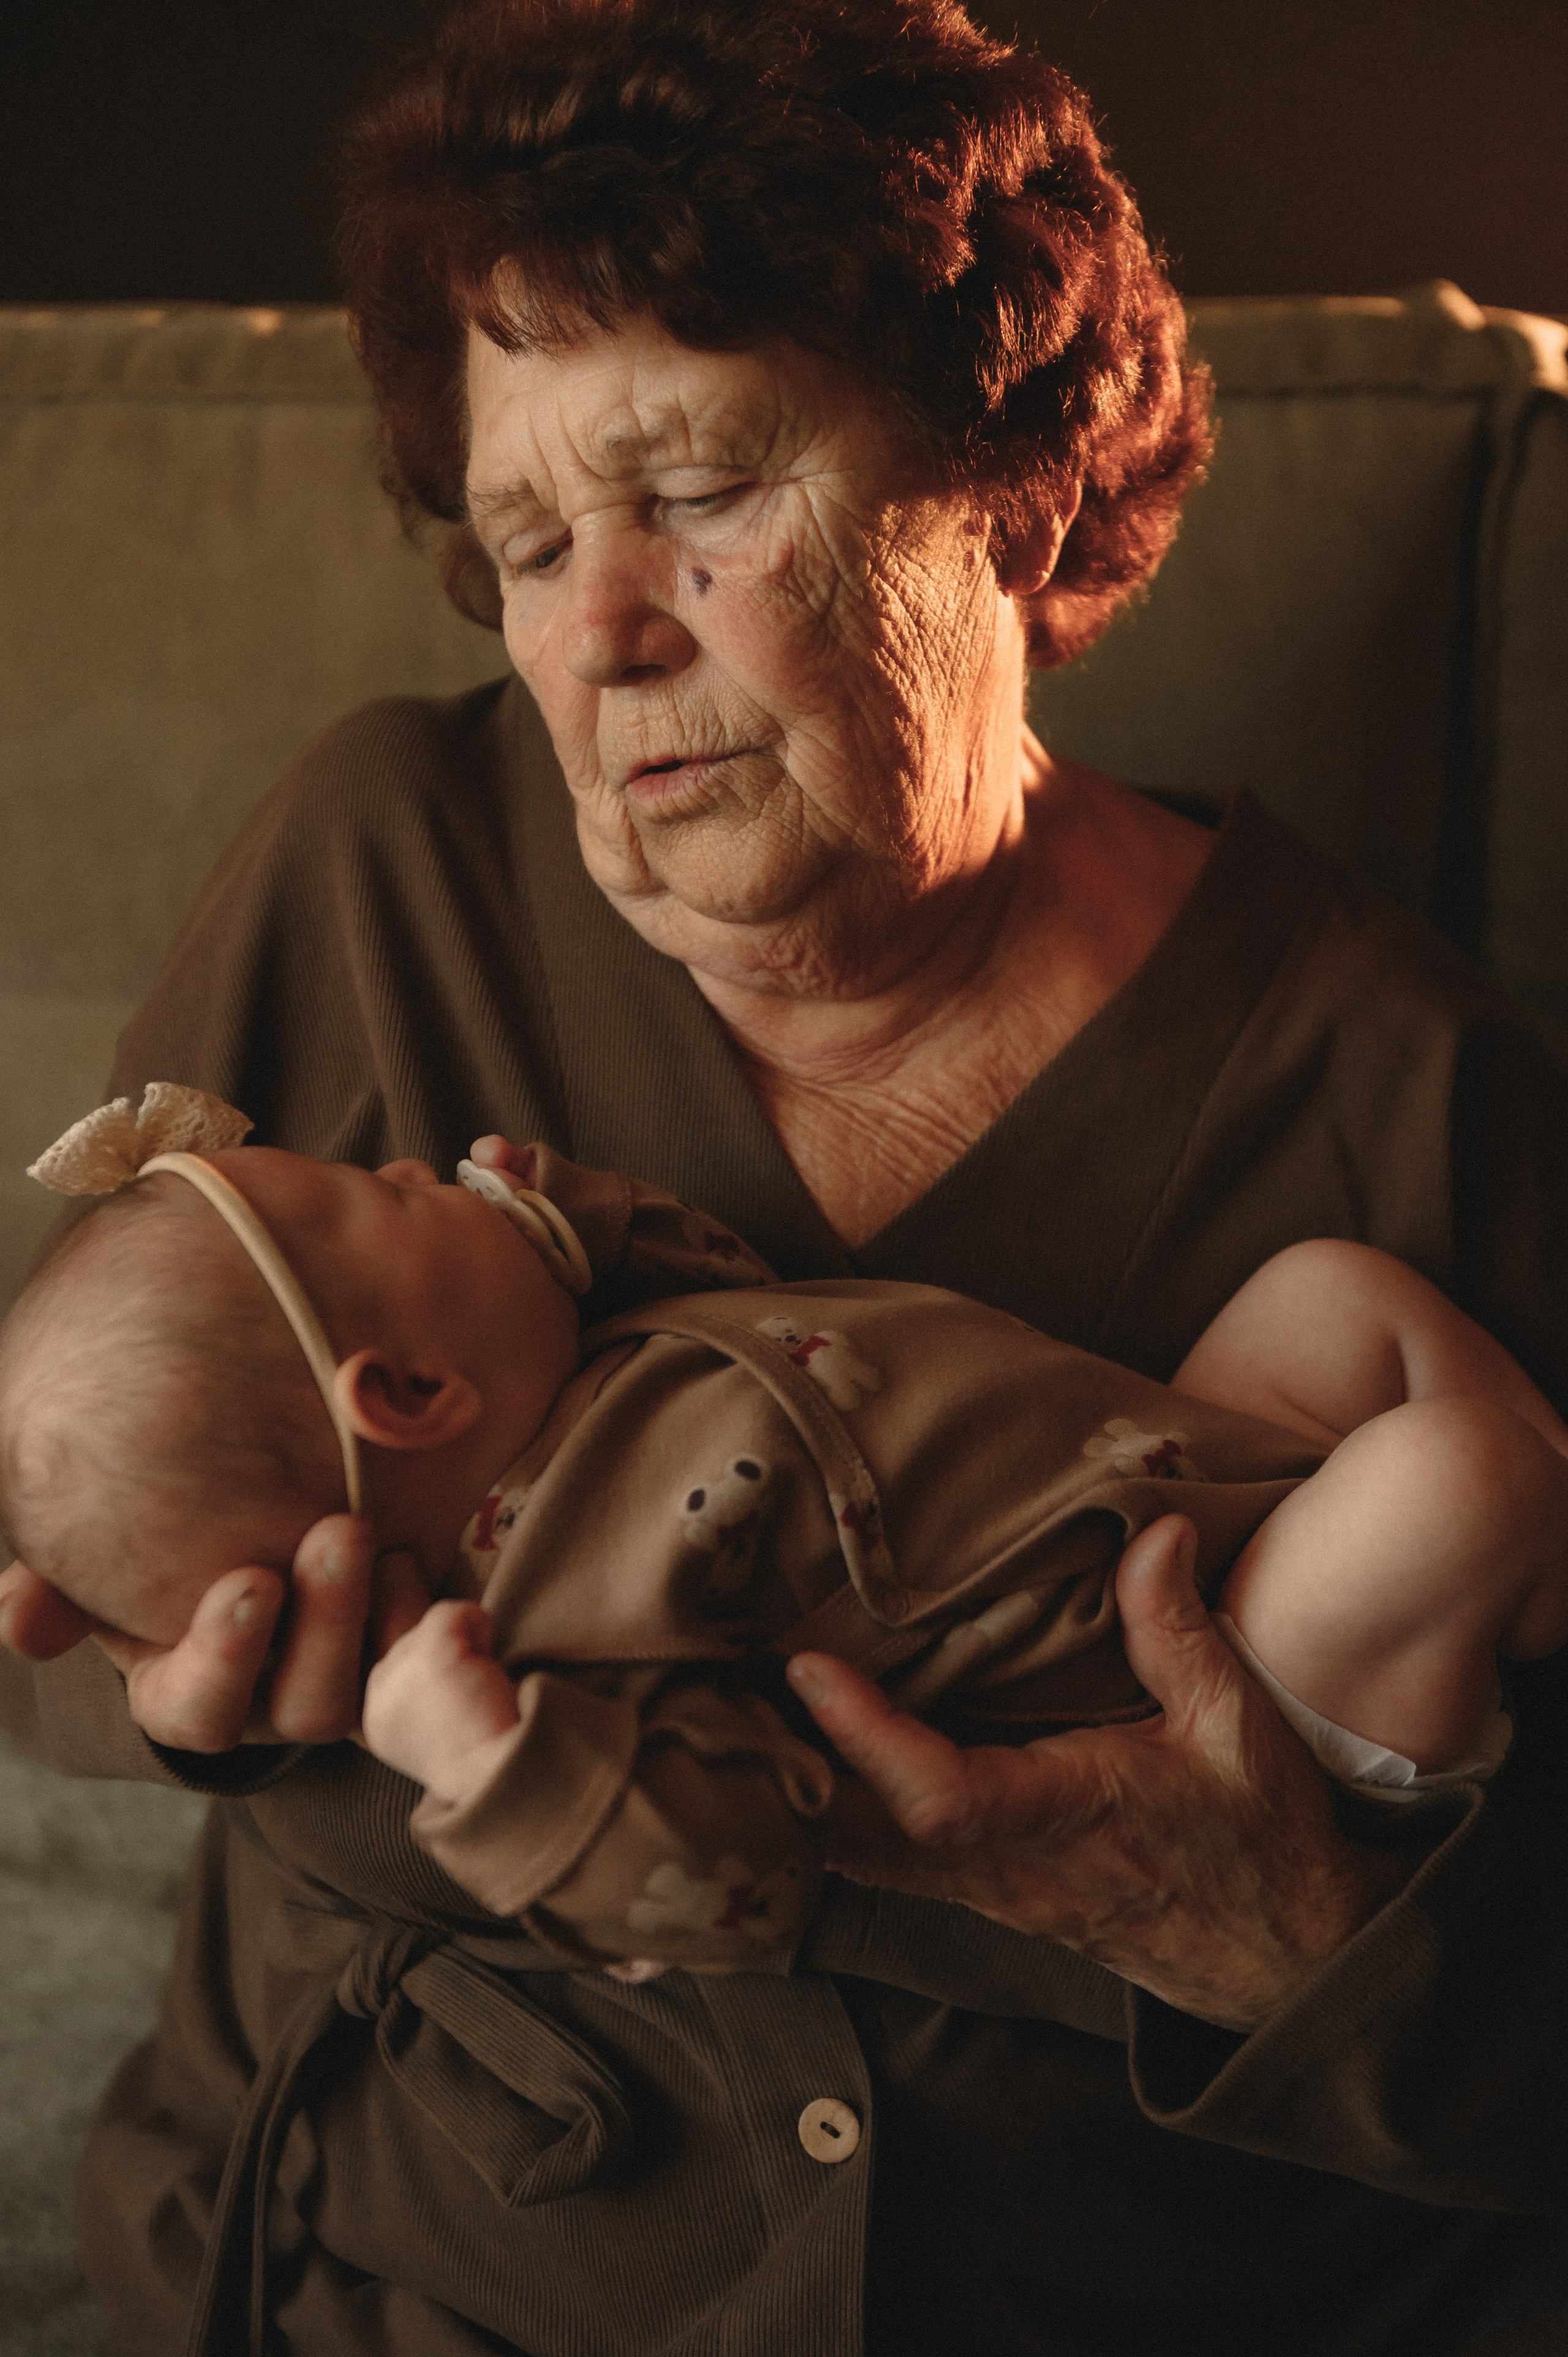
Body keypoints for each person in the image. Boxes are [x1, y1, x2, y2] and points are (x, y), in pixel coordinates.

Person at [0, 1, 1564, 2349]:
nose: (603, 633)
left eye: (705, 493)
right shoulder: (377, 879)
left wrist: (1279, 1928)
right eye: (529, 538)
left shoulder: (1403, 1088)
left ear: (1012, 497)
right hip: (437, 2274)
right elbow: (83, 1555)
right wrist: (192, 1694)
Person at [4, 1095, 1560, 1979]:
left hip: (1170, 1474)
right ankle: (1494, 1580)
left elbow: (733, 1271)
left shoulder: (607, 1359)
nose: (417, 1160)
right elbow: (726, 1881)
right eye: (380, 1191)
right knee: (1454, 1479)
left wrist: (560, 1223)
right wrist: (494, 1768)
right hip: (1196, 1687)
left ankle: (1527, 1570)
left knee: (1327, 1291)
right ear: (409, 1389)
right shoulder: (568, 1622)